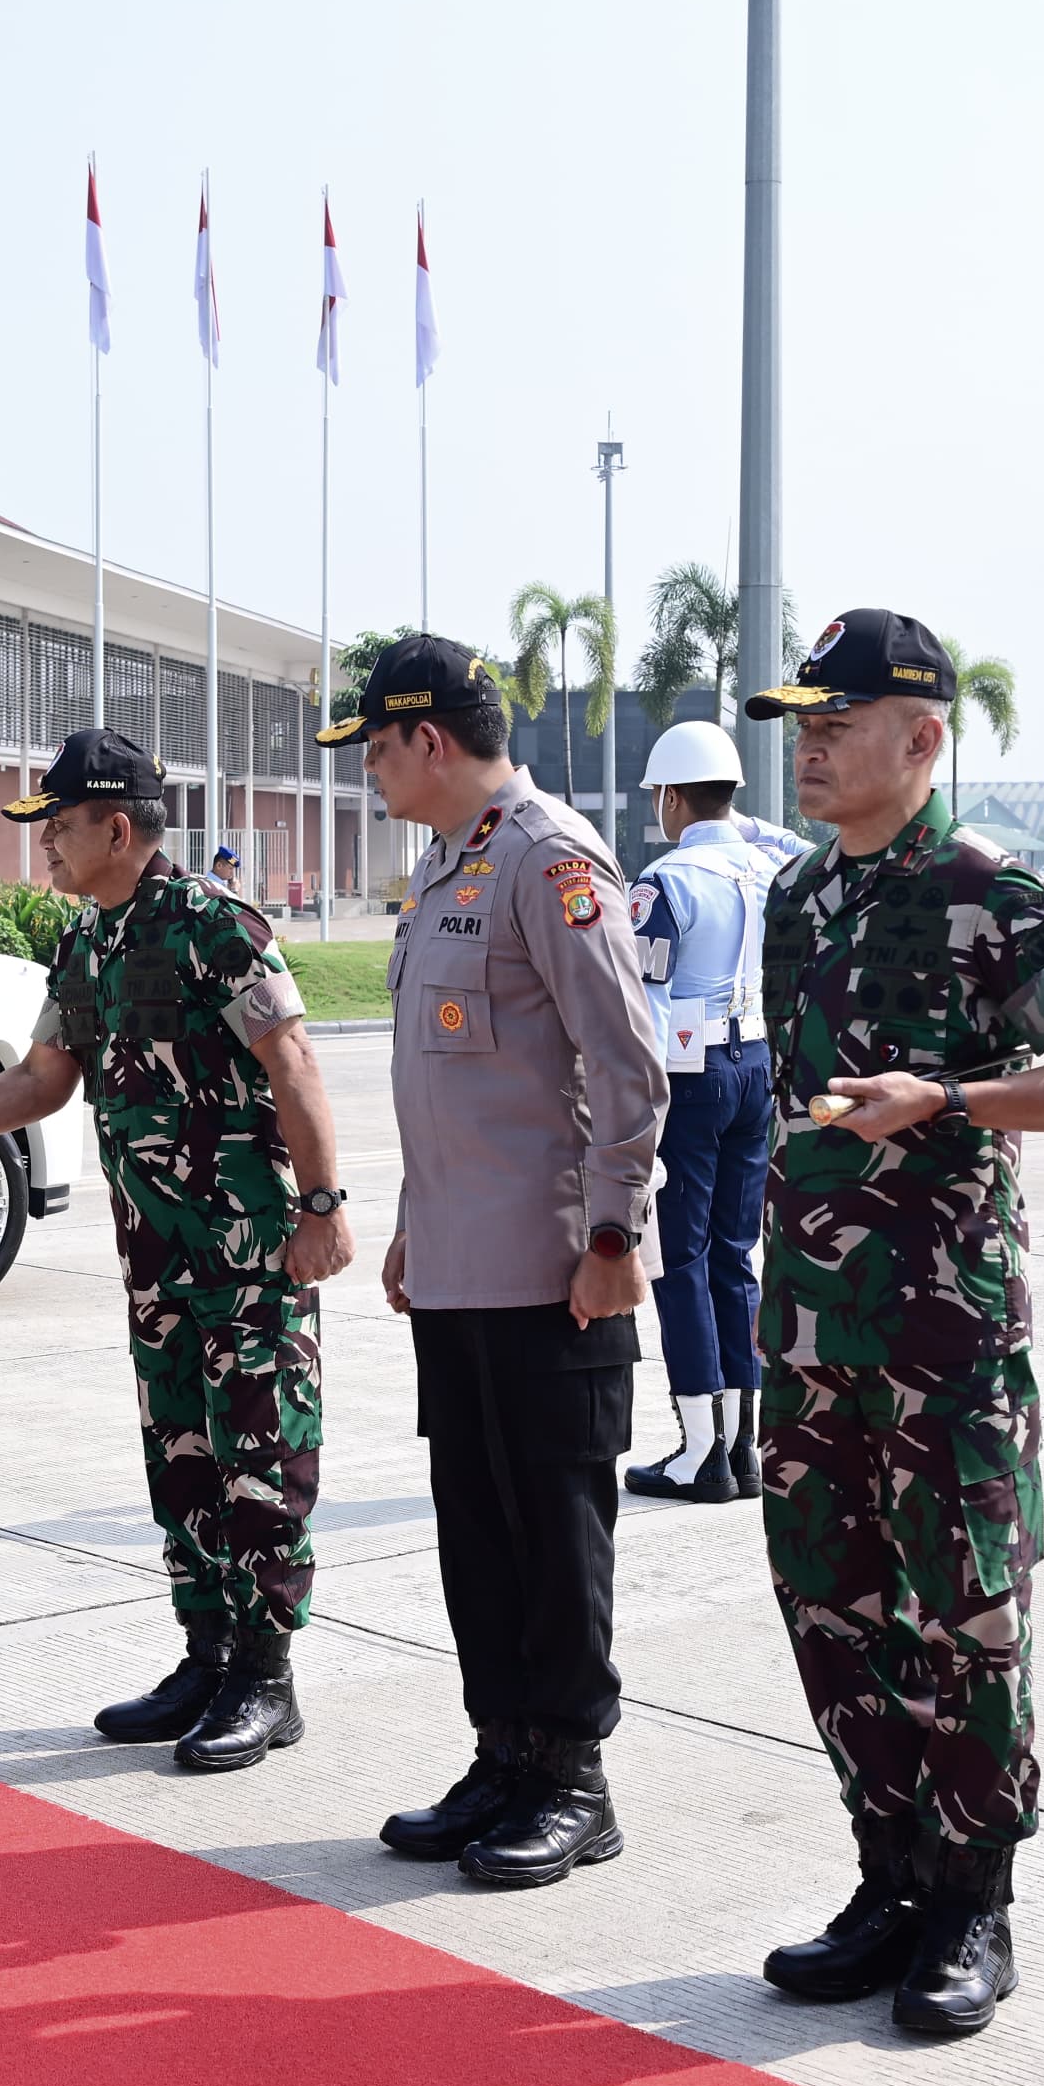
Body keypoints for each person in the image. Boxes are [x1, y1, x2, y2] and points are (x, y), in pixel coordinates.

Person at [740, 609, 1044, 2036]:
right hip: (804, 1325)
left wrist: (956, 1098)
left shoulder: (991, 892)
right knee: (829, 1599)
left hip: (940, 1330)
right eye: (801, 721)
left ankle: (973, 1901)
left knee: (962, 1608)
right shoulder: (796, 899)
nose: (810, 743)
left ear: (921, 739)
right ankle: (886, 1873)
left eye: (837, 721)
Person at [0, 730, 354, 1769]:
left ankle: (265, 1676)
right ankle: (205, 1653)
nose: (45, 850)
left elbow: (291, 1056)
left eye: (58, 828)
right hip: (155, 1256)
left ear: (116, 826)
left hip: (248, 1251)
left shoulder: (214, 925)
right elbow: (42, 1080)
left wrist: (322, 1205)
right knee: (182, 1455)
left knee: (259, 1457)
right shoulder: (87, 943)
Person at [325, 635, 668, 1888]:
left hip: (554, 1267)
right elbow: (453, 1086)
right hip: (462, 1265)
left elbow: (625, 1065)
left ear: (429, 740)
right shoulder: (441, 871)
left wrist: (617, 1234)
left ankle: (575, 1774)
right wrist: (416, 1222)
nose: (366, 768)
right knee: (477, 1526)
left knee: (556, 1525)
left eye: (374, 745)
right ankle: (504, 1750)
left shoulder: (549, 859)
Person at [620, 718, 803, 1503]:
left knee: (681, 1260)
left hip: (691, 1078)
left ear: (668, 795)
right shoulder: (770, 868)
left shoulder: (664, 882)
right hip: (756, 1065)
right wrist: (742, 818)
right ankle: (743, 1446)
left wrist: (643, 1125)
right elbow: (793, 840)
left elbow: (649, 1008)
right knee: (735, 1256)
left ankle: (701, 1452)